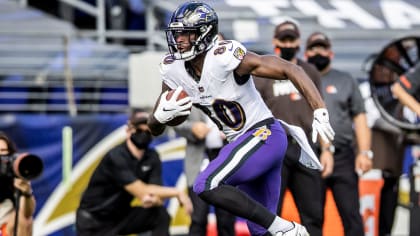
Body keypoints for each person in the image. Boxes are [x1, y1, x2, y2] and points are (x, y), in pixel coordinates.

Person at [147, 2, 335, 235]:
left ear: (205, 33)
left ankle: (287, 228)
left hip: (264, 134)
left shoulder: (223, 57)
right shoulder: (173, 69)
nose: (180, 39)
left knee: (206, 184)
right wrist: (159, 117)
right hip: (243, 142)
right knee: (260, 230)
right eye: (177, 33)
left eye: (186, 33)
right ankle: (283, 229)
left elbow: (290, 69)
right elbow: (154, 127)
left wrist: (319, 109)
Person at [254, 19, 332, 236]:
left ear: (299, 41)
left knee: (313, 213)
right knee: (271, 213)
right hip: (274, 147)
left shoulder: (310, 71)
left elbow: (320, 111)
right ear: (275, 41)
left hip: (306, 146)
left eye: (292, 40)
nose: (288, 44)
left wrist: (326, 149)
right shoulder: (262, 71)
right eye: (283, 40)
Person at [76, 108, 192, 236]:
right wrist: (177, 192)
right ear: (128, 131)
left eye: (148, 132)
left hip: (121, 216)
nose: (144, 134)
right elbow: (141, 190)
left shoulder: (152, 157)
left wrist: (153, 200)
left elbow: (156, 194)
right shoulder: (116, 156)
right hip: (94, 220)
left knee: (160, 214)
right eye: (139, 130)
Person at [304, 32, 373, 235]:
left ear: (331, 53)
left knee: (351, 214)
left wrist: (365, 152)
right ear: (306, 53)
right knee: (312, 215)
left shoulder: (345, 80)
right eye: (313, 48)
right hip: (311, 155)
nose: (318, 52)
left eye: (322, 47)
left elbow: (359, 117)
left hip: (342, 156)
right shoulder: (299, 77)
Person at [174, 107, 236, 236]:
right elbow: (174, 123)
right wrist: (193, 128)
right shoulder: (190, 94)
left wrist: (233, 130)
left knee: (226, 219)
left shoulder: (228, 92)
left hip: (225, 159)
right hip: (199, 160)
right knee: (198, 218)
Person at [0, 132, 36, 236]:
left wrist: (26, 191)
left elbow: (27, 214)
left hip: (7, 228)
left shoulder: (14, 175)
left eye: (3, 152)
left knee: (24, 220)